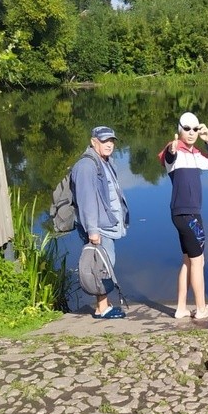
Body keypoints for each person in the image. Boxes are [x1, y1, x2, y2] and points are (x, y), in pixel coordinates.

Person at [159, 111, 208, 320]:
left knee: (188, 260)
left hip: (188, 214)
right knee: (199, 261)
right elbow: (168, 155)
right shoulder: (174, 153)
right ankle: (201, 308)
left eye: (195, 129)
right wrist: (171, 147)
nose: (191, 132)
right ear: (179, 129)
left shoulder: (196, 154)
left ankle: (180, 308)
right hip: (187, 215)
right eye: (187, 128)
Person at [72, 126, 130, 319]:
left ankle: (104, 303)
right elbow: (86, 199)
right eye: (104, 141)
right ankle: (101, 308)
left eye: (111, 141)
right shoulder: (86, 166)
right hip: (97, 227)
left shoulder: (105, 161)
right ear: (93, 141)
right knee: (101, 266)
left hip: (107, 224)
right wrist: (93, 230)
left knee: (106, 263)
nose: (109, 145)